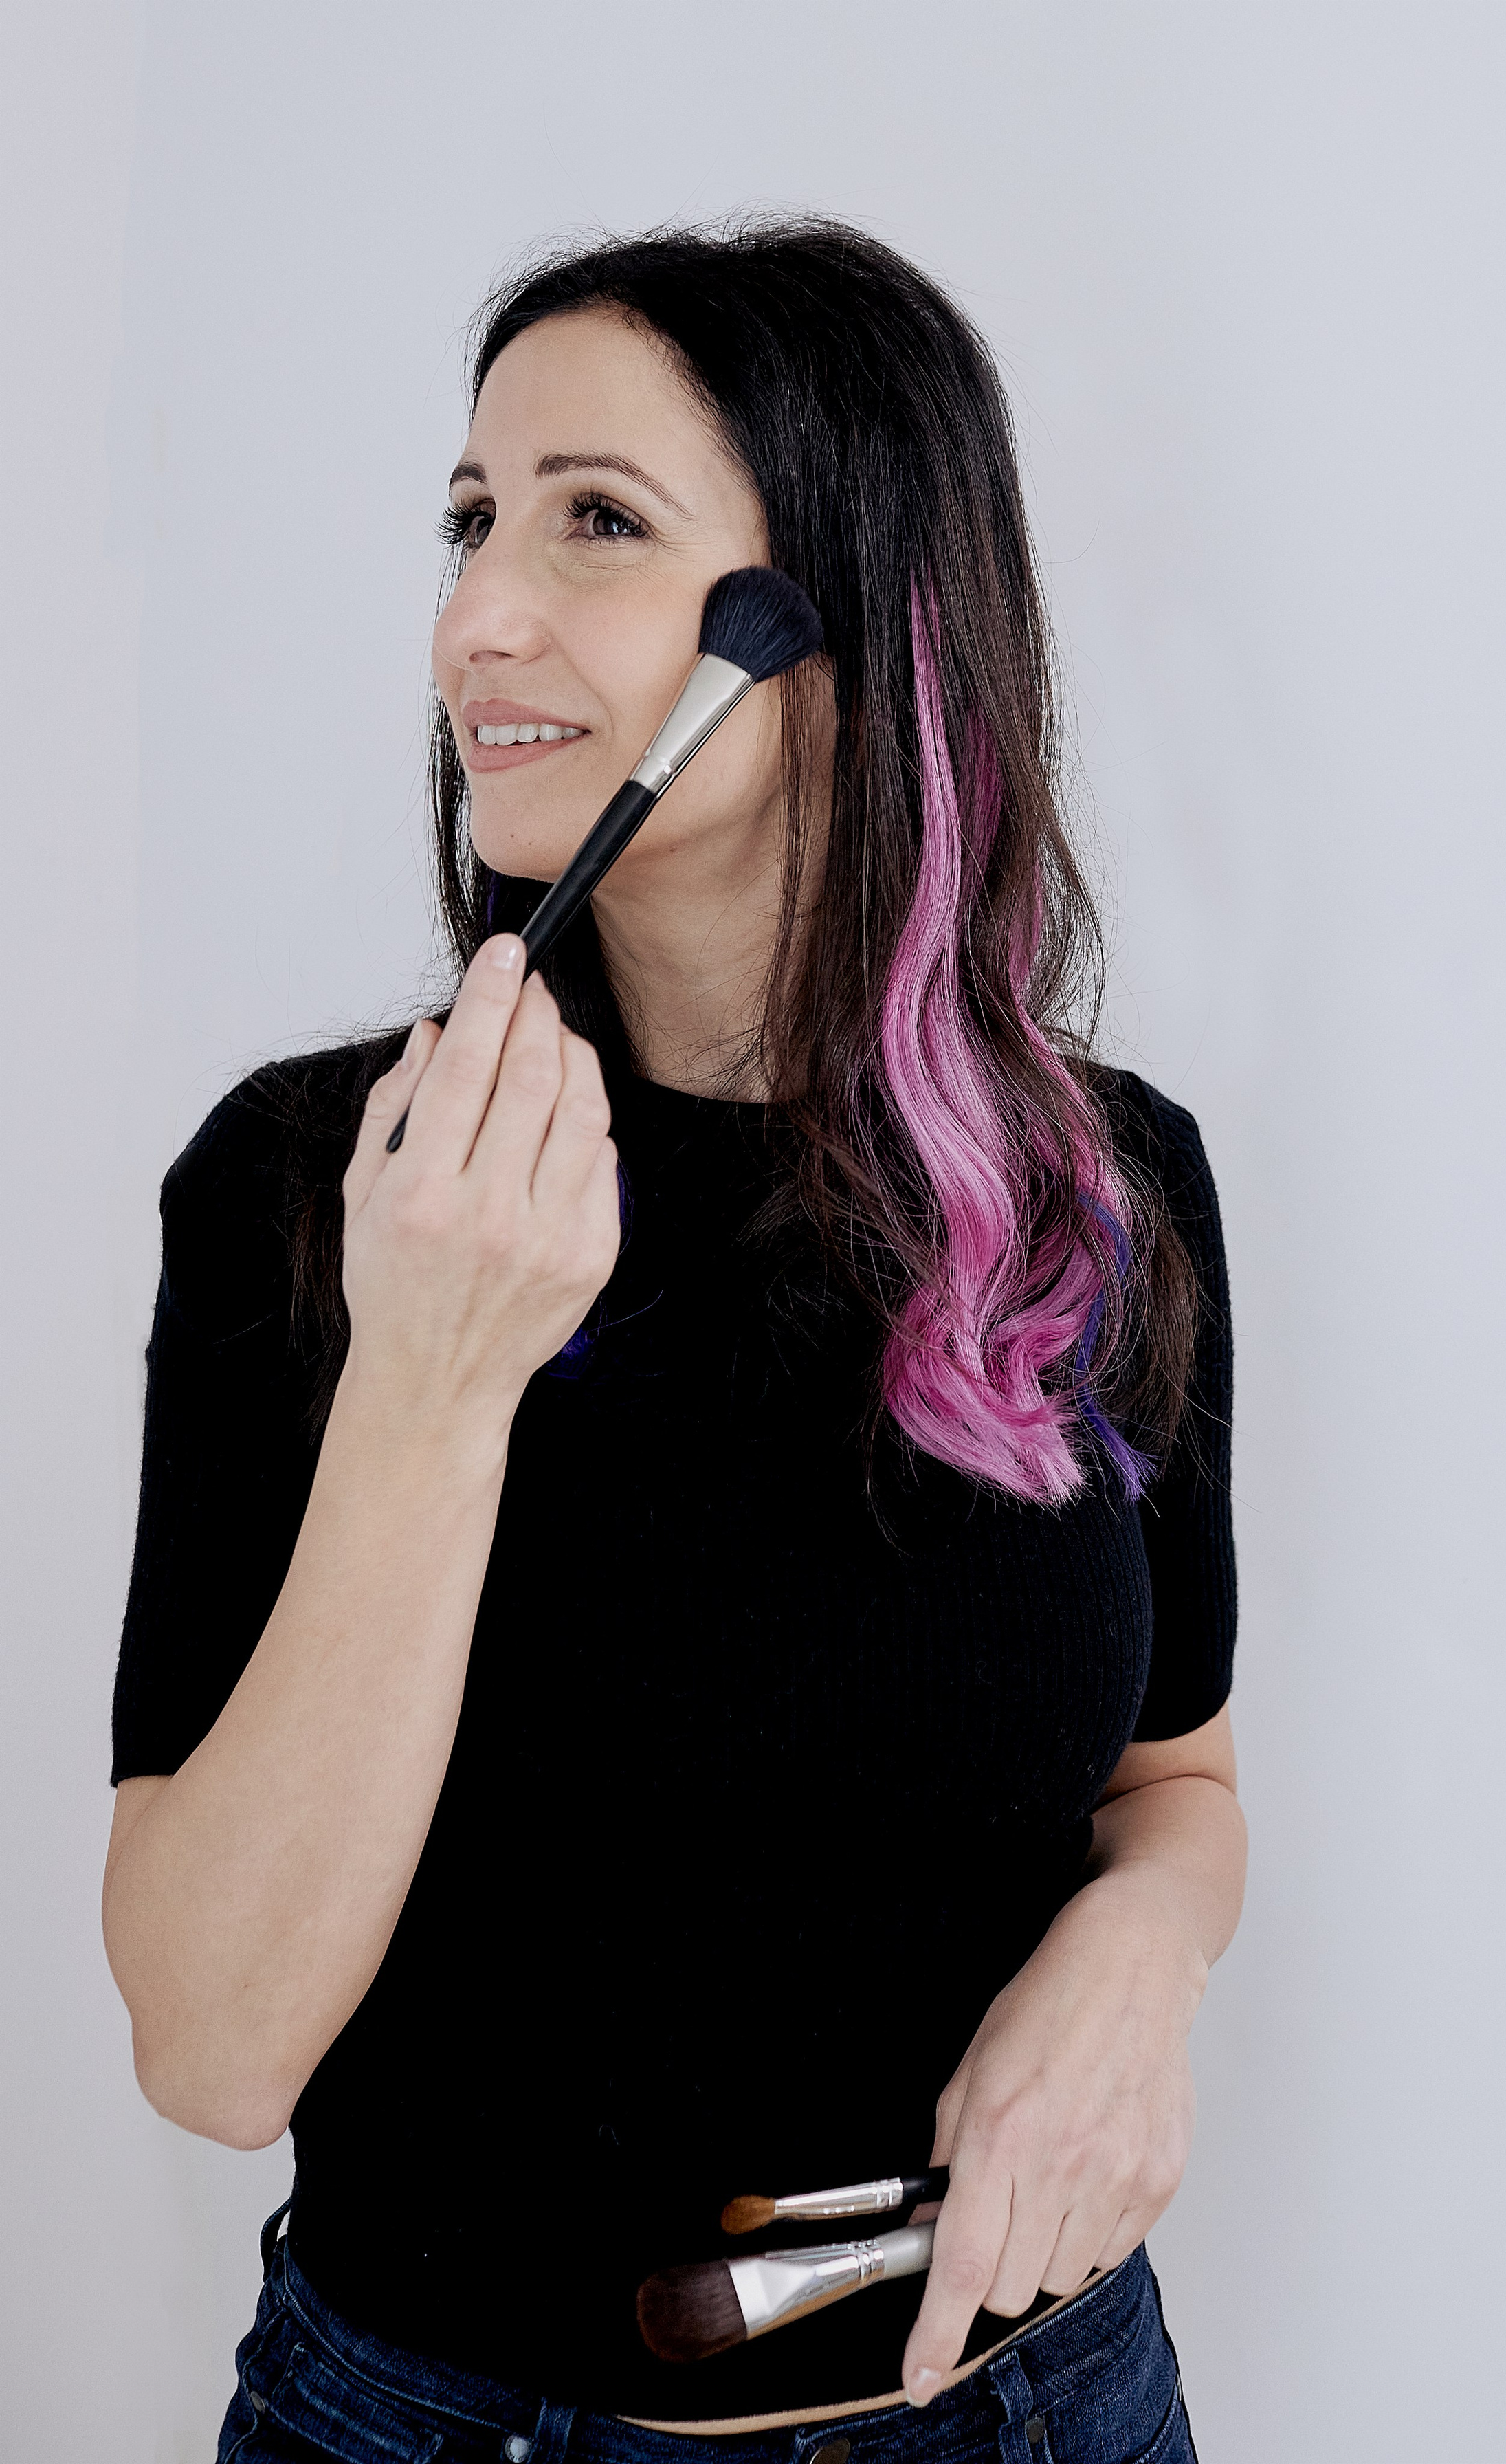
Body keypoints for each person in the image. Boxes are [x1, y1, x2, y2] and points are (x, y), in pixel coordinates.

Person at [101, 218, 1245, 2464]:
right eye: (468, 522)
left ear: (841, 624)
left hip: (1040, 2408)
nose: (474, 621)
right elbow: (212, 2053)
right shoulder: (311, 1191)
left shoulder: (1096, 1194)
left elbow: (1178, 1790)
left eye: (593, 523)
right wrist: (436, 1369)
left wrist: (1145, 1957)